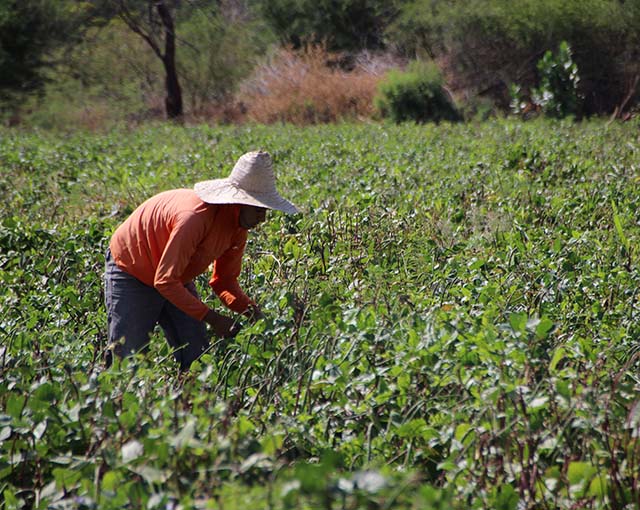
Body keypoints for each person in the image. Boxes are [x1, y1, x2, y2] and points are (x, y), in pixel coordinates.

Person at [104, 150, 299, 370]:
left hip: (174, 274)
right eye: (258, 210)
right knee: (127, 359)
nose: (262, 219)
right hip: (132, 270)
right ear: (239, 203)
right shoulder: (194, 218)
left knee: (196, 351)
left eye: (266, 211)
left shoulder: (238, 229)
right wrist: (214, 319)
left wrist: (253, 312)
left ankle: (187, 400)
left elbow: (223, 282)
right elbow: (165, 281)